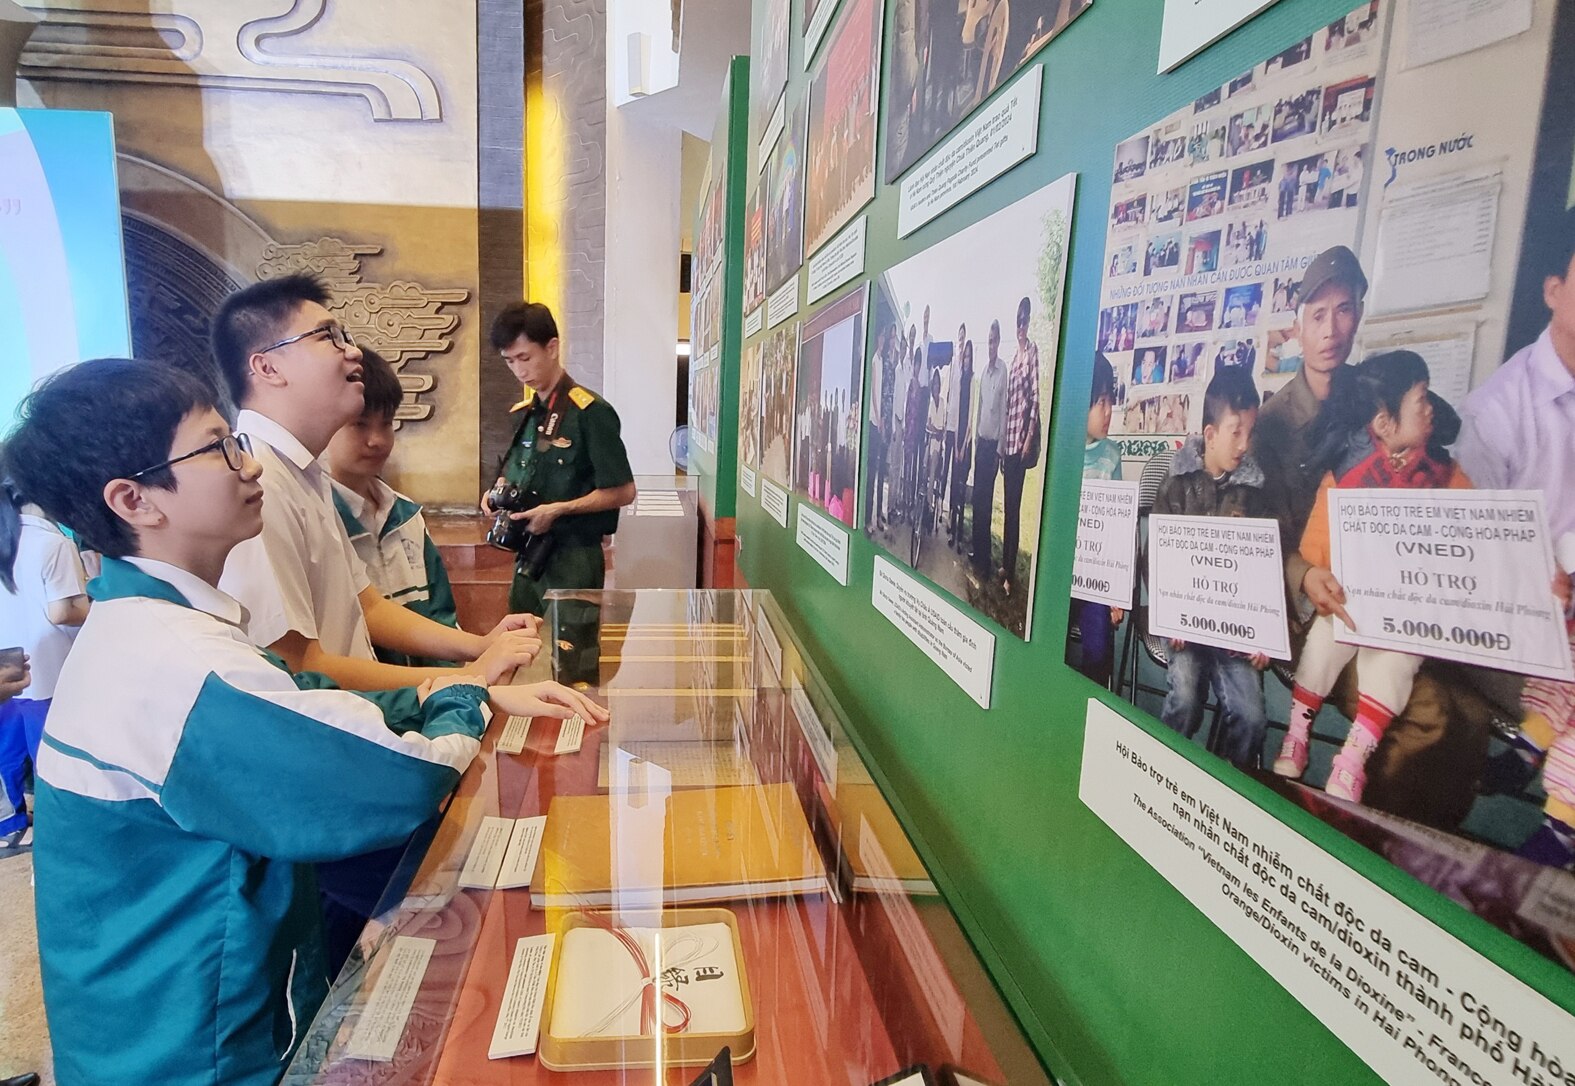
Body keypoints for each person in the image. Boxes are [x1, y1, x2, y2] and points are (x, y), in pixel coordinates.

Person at [2, 358, 606, 1086]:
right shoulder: (180, 667)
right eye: (218, 447)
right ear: (135, 499)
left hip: (146, 1035)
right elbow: (394, 782)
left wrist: (458, 684)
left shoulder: (147, 628)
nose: (247, 466)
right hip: (197, 1055)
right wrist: (469, 695)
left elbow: (296, 697)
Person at [199, 274, 538, 690]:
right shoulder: (258, 483)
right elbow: (298, 665)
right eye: (328, 337)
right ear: (267, 366)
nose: (352, 351)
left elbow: (368, 606)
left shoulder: (302, 471)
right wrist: (468, 677)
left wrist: (478, 647)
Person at [1272, 352, 1471, 802]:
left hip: (1412, 619)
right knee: (1328, 636)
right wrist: (1319, 578)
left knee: (1395, 661)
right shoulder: (1347, 478)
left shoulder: (1447, 478)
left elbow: (1475, 549)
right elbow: (1313, 551)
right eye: (1419, 399)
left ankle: (1352, 758)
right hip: (1352, 603)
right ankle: (1297, 733)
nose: (1429, 408)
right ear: (1383, 423)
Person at [1456, 209, 1575, 866]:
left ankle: (1537, 759)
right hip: (1517, 634)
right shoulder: (1496, 411)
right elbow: (1471, 558)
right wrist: (1538, 583)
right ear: (1551, 289)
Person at [1154, 367, 1275, 769]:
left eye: (1251, 432)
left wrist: (1263, 635)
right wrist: (1167, 616)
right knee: (1185, 700)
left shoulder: (1255, 492)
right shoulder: (1176, 483)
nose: (1245, 444)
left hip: (1233, 631)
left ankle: (1223, 780)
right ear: (1209, 435)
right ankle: (1165, 768)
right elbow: (1153, 557)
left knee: (1253, 717)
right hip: (1183, 627)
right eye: (1235, 432)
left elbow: (1263, 573)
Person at [483, 302, 637, 615]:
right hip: (528, 553)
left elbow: (624, 491)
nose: (519, 371)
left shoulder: (590, 413)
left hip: (574, 556)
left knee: (573, 653)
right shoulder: (523, 415)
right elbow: (514, 473)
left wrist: (558, 510)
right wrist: (495, 493)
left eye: (525, 357)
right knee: (520, 645)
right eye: (509, 361)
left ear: (552, 348)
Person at [325, 349, 459, 669]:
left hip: (429, 702)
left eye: (386, 425)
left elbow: (442, 618)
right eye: (359, 425)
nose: (377, 440)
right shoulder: (320, 518)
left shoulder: (407, 516)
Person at [0, 482, 88, 850]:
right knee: (50, 757)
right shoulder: (52, 543)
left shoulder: (9, 541)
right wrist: (101, 604)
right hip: (49, 669)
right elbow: (62, 611)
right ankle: (58, 833)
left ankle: (10, 824)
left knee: (8, 751)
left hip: (8, 668)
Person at [1072, 354, 1124, 687]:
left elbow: (1118, 533)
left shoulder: (1112, 456)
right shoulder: (1061, 454)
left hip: (1095, 581)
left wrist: (1115, 592)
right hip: (1062, 579)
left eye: (1111, 401)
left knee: (1099, 645)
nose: (1108, 412)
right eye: (1100, 402)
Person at [1000, 297, 1042, 595]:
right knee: (1007, 510)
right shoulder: (1013, 359)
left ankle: (1010, 575)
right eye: (1018, 322)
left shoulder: (1031, 354)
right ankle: (1005, 562)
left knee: (1015, 509)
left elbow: (1036, 398)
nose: (1021, 327)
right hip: (1008, 445)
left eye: (1025, 321)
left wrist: (1028, 438)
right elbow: (1008, 406)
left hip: (1022, 443)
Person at [971, 321, 1009, 577]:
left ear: (999, 342)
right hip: (980, 444)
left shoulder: (1002, 371)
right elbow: (981, 407)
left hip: (992, 448)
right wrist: (974, 438)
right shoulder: (983, 372)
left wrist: (1000, 449)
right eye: (989, 340)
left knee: (986, 504)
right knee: (977, 501)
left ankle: (984, 563)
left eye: (995, 340)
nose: (991, 345)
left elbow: (1004, 411)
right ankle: (977, 551)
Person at [948, 338, 975, 550]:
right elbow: (957, 417)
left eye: (968, 356)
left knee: (961, 489)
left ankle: (959, 539)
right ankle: (953, 534)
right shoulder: (959, 382)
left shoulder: (973, 381)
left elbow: (969, 419)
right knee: (955, 492)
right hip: (957, 440)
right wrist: (956, 445)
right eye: (964, 356)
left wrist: (963, 447)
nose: (965, 360)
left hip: (967, 444)